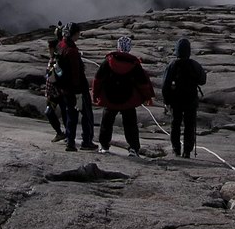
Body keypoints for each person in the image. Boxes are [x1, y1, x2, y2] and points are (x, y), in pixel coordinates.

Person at [91, 36, 154, 156]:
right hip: (128, 100)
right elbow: (143, 84)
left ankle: (104, 146)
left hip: (110, 99)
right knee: (130, 125)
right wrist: (147, 97)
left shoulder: (108, 62)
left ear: (118, 46)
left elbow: (97, 80)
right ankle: (133, 149)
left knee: (106, 123)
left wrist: (95, 95)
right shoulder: (134, 64)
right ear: (129, 48)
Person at [55, 22, 98, 152]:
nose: (79, 35)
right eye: (78, 33)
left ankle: (70, 141)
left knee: (70, 115)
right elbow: (75, 73)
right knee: (87, 115)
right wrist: (79, 91)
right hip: (77, 90)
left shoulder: (60, 45)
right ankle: (86, 141)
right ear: (74, 34)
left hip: (65, 88)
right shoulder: (72, 51)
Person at [162, 37, 207, 158]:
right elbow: (203, 80)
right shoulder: (194, 65)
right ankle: (187, 151)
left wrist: (166, 101)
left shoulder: (172, 65)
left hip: (175, 101)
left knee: (175, 124)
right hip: (191, 100)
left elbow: (165, 85)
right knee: (189, 125)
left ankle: (176, 149)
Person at [44, 26, 67, 142]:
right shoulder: (52, 59)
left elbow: (60, 74)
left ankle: (67, 134)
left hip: (59, 92)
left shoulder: (58, 60)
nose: (49, 50)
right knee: (49, 112)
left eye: (50, 48)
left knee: (64, 113)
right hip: (52, 93)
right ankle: (60, 132)